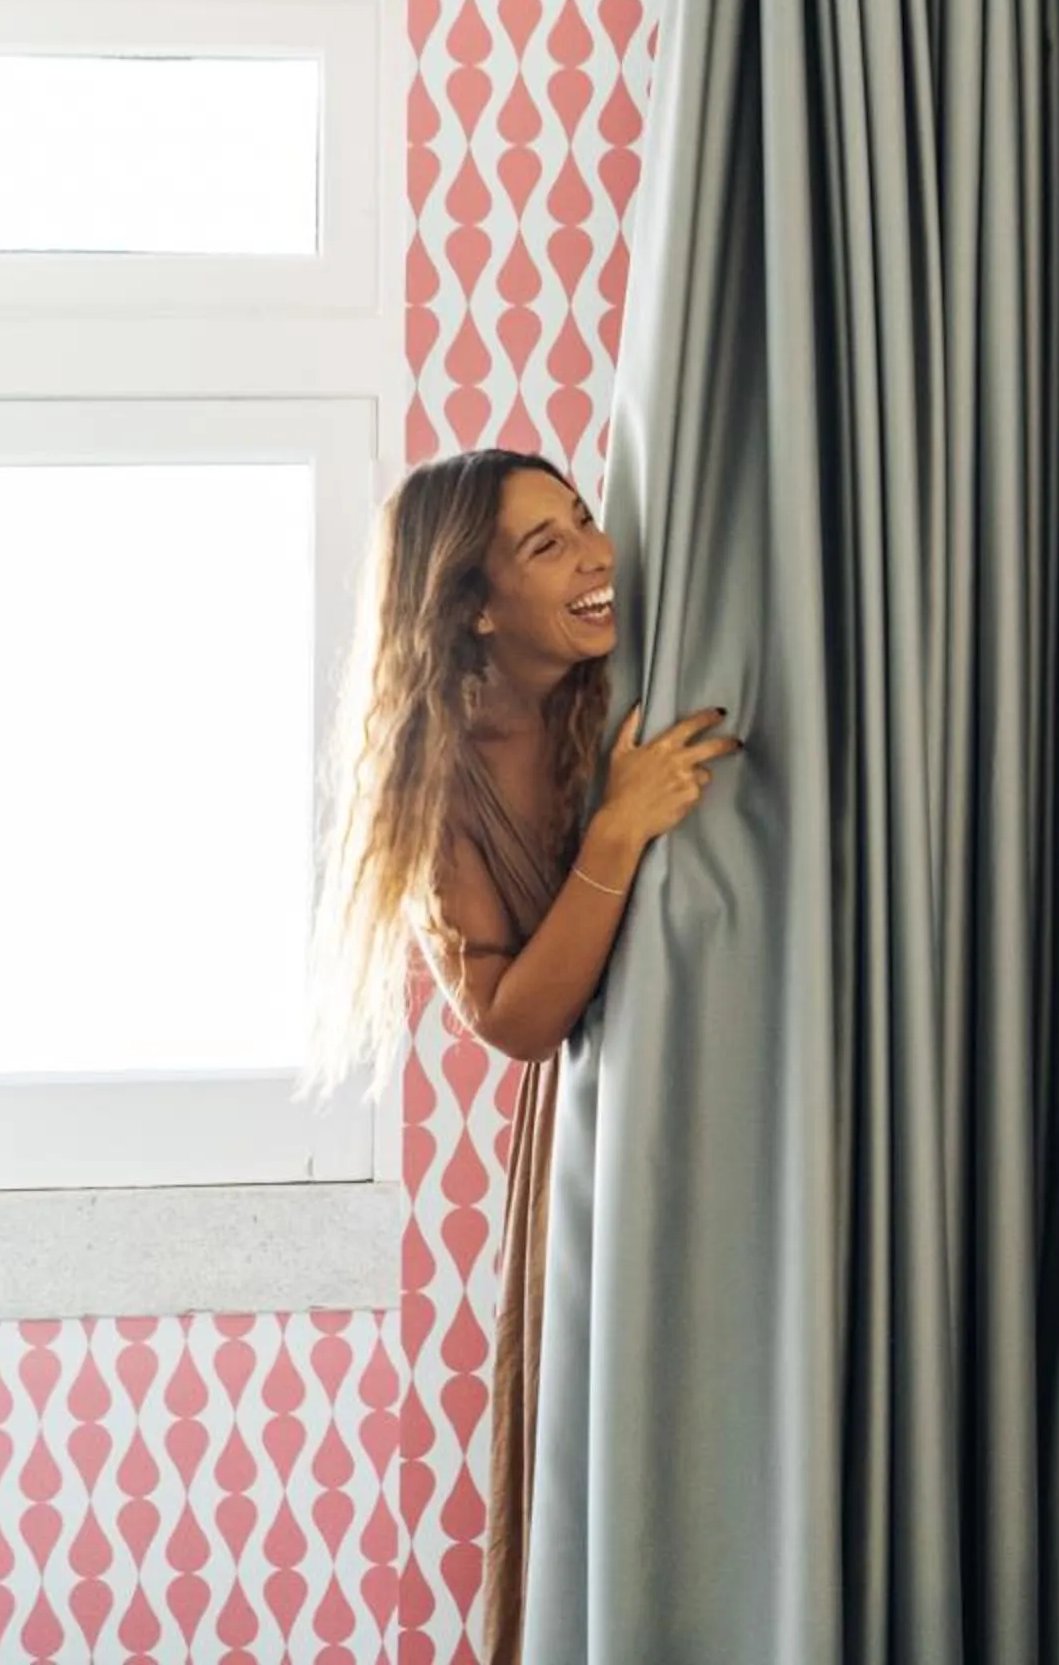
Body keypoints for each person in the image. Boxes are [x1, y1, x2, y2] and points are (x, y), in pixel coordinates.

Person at [310, 449, 737, 1665]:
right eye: (547, 546)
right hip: (604, 1118)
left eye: (586, 520)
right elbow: (512, 1020)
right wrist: (616, 831)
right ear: (476, 603)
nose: (601, 553)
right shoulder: (441, 777)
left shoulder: (648, 654)